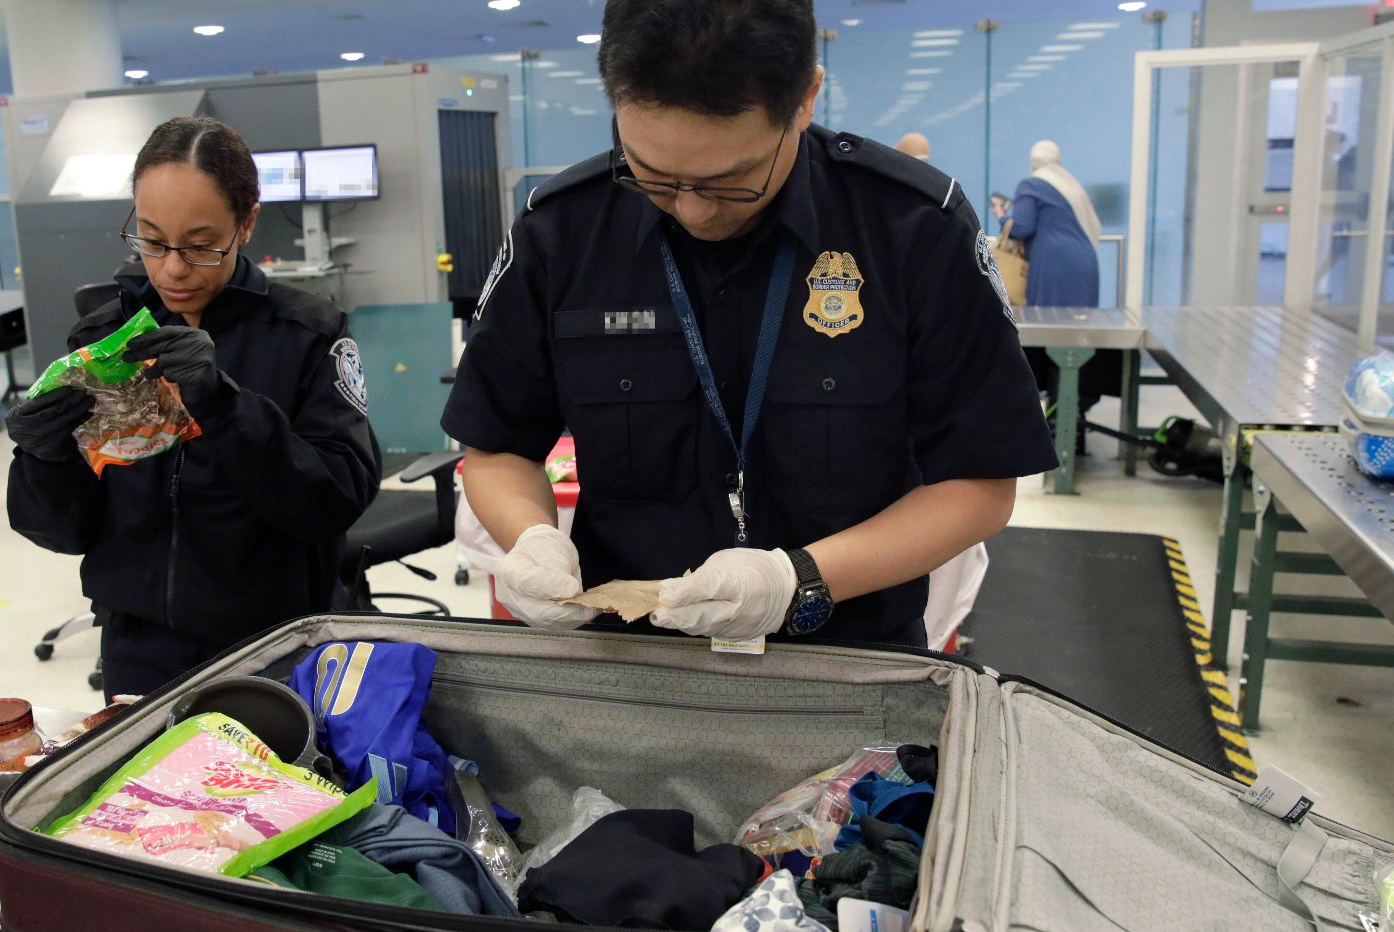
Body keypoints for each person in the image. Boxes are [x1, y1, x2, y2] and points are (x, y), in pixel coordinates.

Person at [442, 0, 1055, 649]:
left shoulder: (912, 231)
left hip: (846, 662)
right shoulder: (561, 233)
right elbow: (497, 446)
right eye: (651, 174)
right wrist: (531, 538)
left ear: (806, 99)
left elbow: (981, 484)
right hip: (628, 662)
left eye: (731, 179)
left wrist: (797, 579)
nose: (692, 210)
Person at [4, 116, 381, 699]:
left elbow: (335, 500)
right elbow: (61, 530)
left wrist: (225, 408)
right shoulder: (105, 340)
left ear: (247, 224)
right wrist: (42, 457)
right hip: (139, 650)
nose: (173, 269)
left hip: (274, 646)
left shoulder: (306, 332)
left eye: (201, 246)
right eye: (152, 242)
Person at [996, 140, 1106, 406]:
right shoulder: (1070, 185)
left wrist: (1000, 212)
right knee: (1075, 336)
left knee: (1048, 334)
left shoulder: (1031, 185)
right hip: (1084, 262)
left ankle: (1052, 403)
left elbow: (1021, 227)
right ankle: (1073, 404)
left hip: (1055, 265)